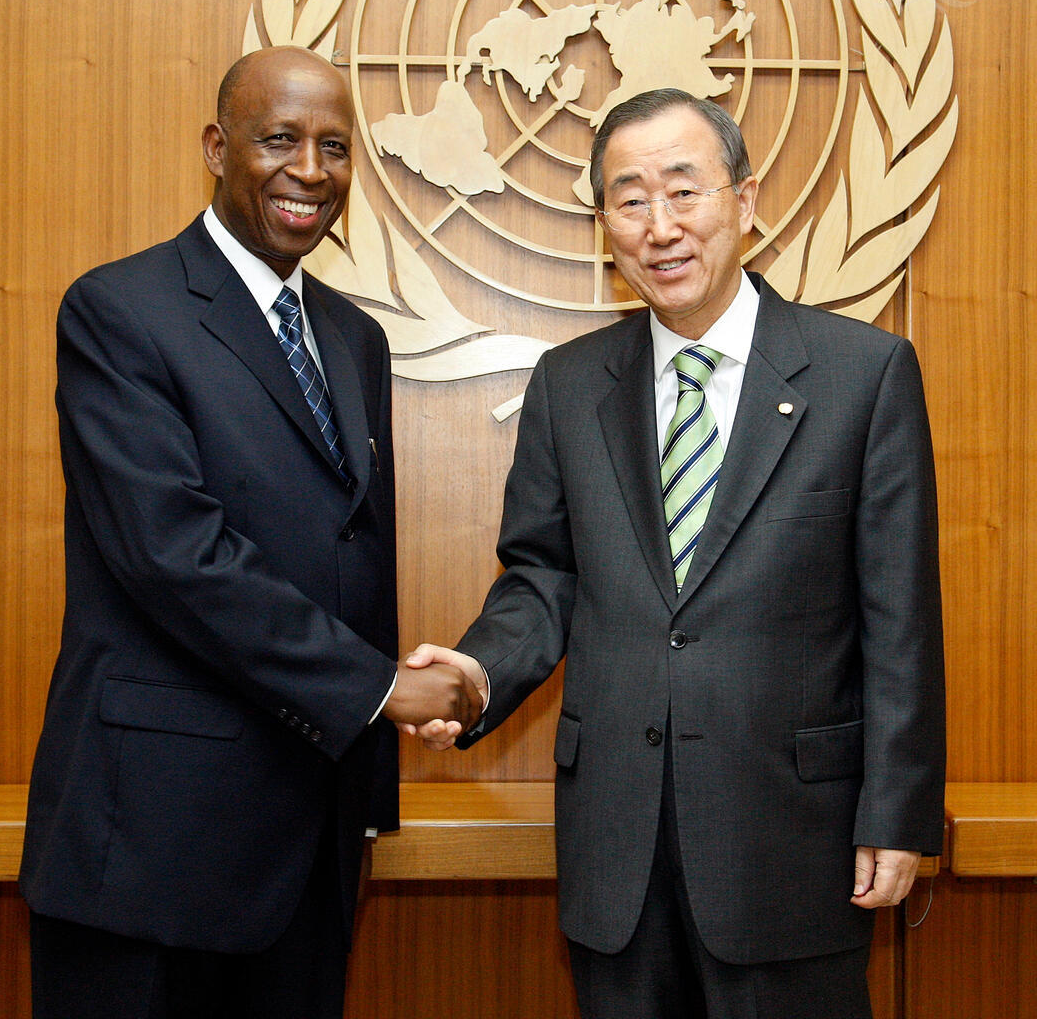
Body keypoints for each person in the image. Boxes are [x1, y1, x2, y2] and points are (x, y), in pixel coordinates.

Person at [404, 88, 945, 1019]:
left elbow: (899, 619)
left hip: (793, 842)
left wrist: (896, 813)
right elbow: (542, 576)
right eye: (630, 200)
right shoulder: (570, 384)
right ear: (604, 226)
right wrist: (478, 672)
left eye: (684, 191)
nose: (659, 227)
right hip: (617, 843)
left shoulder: (863, 375)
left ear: (745, 200)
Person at [20, 45, 482, 1019]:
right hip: (148, 849)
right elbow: (173, 555)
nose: (309, 171)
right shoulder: (120, 311)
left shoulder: (354, 339)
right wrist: (383, 689)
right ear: (216, 148)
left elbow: (358, 561)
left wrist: (369, 802)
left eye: (334, 147)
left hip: (309, 852)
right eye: (279, 140)